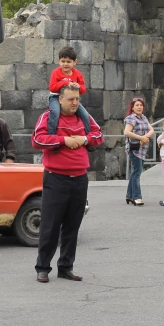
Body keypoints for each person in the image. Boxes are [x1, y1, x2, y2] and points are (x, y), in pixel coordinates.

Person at [32, 83, 104, 283]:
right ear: (60, 99)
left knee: (72, 226)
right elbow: (38, 139)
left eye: (77, 99)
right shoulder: (48, 118)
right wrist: (64, 141)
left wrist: (83, 139)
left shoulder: (84, 118)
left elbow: (98, 135)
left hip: (80, 179)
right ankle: (43, 267)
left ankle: (66, 267)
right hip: (56, 178)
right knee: (50, 226)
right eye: (71, 99)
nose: (75, 103)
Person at [47, 46, 91, 135]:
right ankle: (51, 136)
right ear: (59, 61)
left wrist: (78, 86)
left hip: (72, 98)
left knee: (85, 115)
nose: (65, 64)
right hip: (56, 97)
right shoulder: (56, 72)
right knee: (55, 112)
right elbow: (52, 87)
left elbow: (83, 90)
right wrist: (65, 83)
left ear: (74, 62)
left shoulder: (77, 74)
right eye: (63, 61)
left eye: (68, 62)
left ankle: (88, 136)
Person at [123, 97, 155, 206]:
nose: (139, 107)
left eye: (141, 105)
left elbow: (152, 130)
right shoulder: (131, 118)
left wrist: (145, 136)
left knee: (136, 172)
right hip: (134, 148)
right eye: (137, 105)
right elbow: (127, 132)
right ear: (132, 107)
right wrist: (141, 138)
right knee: (137, 172)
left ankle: (129, 195)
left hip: (142, 149)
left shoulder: (143, 118)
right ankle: (137, 196)